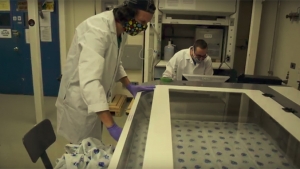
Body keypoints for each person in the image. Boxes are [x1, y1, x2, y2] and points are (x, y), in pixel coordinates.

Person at [55, 0, 156, 144]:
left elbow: (115, 62)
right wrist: (112, 126)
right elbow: (90, 81)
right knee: (80, 150)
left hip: (96, 100)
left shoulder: (121, 30)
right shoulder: (97, 30)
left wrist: (129, 86)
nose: (143, 27)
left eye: (146, 23)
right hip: (79, 100)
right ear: (128, 14)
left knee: (92, 145)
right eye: (141, 21)